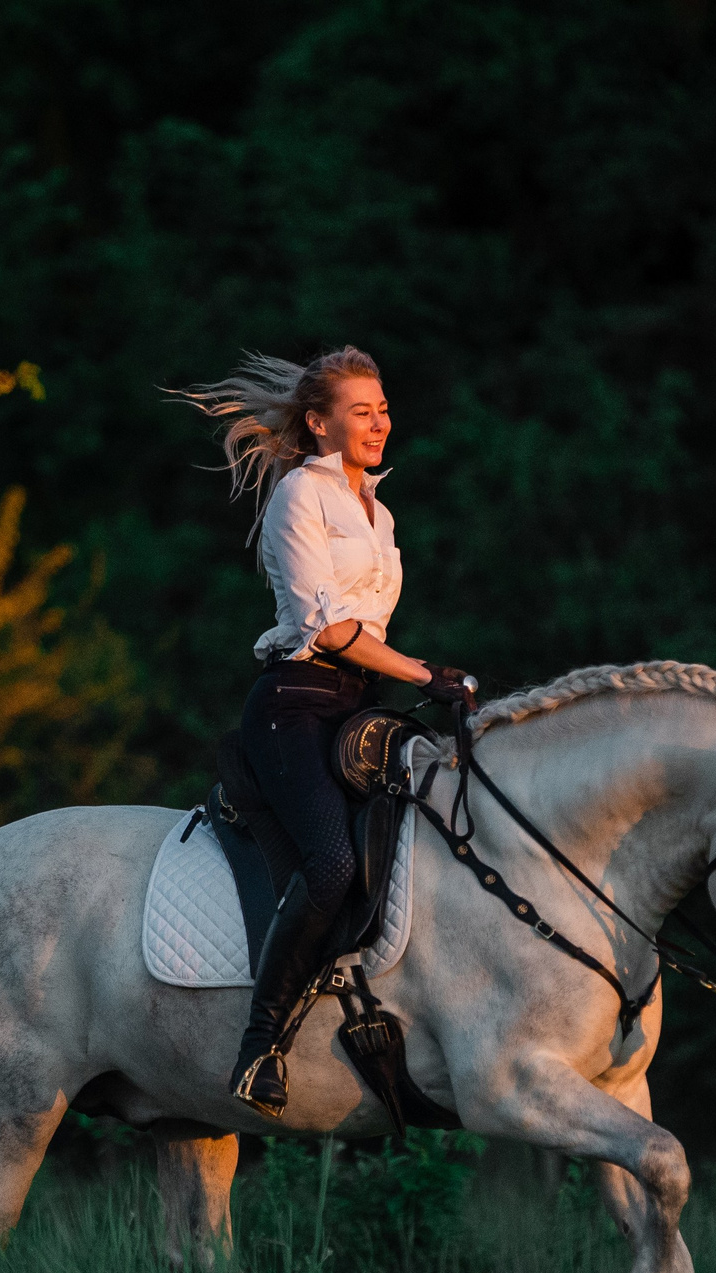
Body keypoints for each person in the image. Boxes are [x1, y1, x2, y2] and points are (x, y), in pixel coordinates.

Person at [173, 347, 476, 1116]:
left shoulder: (381, 511)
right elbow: (331, 629)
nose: (382, 422)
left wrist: (418, 681)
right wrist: (426, 674)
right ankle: (260, 1045)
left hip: (356, 707)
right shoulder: (297, 499)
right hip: (294, 704)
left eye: (383, 409)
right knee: (335, 864)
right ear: (319, 422)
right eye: (363, 411)